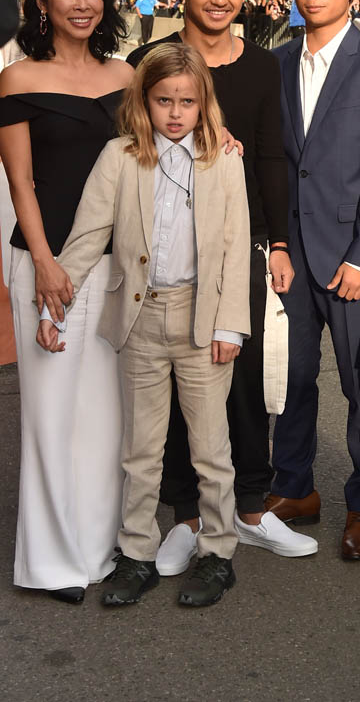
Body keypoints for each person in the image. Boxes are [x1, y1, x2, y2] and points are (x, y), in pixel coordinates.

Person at [38, 43, 250, 608]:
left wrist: (230, 327)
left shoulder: (224, 159)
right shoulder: (120, 156)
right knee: (140, 450)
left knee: (210, 450)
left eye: (187, 101)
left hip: (202, 321)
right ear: (143, 101)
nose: (175, 113)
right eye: (163, 101)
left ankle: (217, 553)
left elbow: (235, 250)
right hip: (139, 319)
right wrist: (53, 307)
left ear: (204, 103)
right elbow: (87, 236)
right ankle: (136, 555)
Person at [127, 0, 315, 567]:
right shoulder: (149, 61)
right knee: (177, 389)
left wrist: (278, 242)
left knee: (243, 376)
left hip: (242, 248)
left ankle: (252, 507)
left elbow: (270, 158)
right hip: (168, 254)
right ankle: (186, 515)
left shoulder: (262, 66)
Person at [0, 0, 131, 603]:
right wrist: (46, 263)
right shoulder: (18, 79)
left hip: (112, 264)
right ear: (42, 3)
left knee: (105, 418)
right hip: (44, 261)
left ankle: (97, 548)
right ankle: (51, 563)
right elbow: (20, 181)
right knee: (51, 414)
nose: (83, 4)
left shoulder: (126, 75)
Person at [267, 0, 360, 559]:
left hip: (351, 256)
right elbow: (277, 161)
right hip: (291, 254)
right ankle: (294, 487)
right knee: (292, 377)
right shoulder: (277, 61)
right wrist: (276, 242)